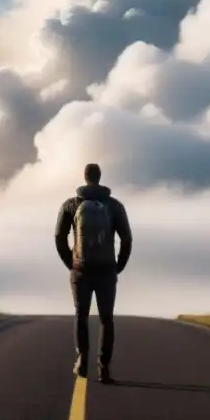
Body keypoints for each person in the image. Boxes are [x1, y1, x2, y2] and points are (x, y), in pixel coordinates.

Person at [54, 162, 132, 383]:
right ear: (100, 177)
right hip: (107, 270)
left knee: (81, 314)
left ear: (85, 177)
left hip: (81, 270)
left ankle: (82, 359)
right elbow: (126, 239)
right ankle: (104, 367)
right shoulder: (115, 206)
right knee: (107, 319)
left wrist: (71, 262)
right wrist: (118, 266)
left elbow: (59, 237)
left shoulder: (71, 204)